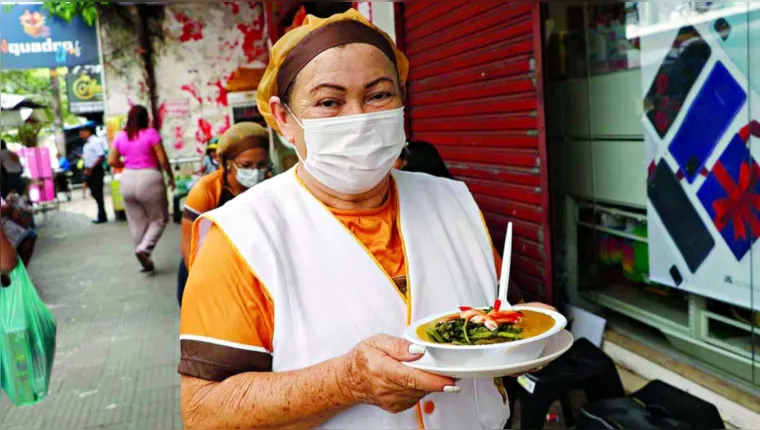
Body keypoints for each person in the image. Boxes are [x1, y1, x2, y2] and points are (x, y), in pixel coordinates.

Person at [179, 10, 553, 429]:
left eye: (378, 95)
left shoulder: (452, 200)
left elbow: (496, 311)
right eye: (329, 102)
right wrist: (345, 382)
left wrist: (524, 331)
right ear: (284, 118)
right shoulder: (244, 236)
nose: (357, 118)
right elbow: (202, 410)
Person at [177, 122, 272, 307]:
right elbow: (189, 247)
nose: (255, 171)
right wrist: (205, 287)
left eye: (262, 165)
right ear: (227, 163)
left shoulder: (270, 187)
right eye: (246, 165)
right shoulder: (206, 191)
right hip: (205, 267)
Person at [109, 105, 175, 272]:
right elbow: (162, 159)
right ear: (146, 118)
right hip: (149, 177)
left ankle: (145, 259)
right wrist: (170, 176)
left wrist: (126, 164)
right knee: (159, 219)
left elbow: (112, 161)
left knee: (137, 222)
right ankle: (144, 249)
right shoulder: (151, 134)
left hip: (128, 178)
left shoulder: (120, 137)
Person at [81, 125, 108, 224]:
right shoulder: (87, 144)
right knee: (94, 192)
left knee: (98, 192)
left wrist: (92, 168)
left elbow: (101, 156)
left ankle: (102, 215)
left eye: (83, 131)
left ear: (88, 132)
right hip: (89, 170)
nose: (81, 134)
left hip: (95, 170)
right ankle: (101, 213)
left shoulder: (95, 141)